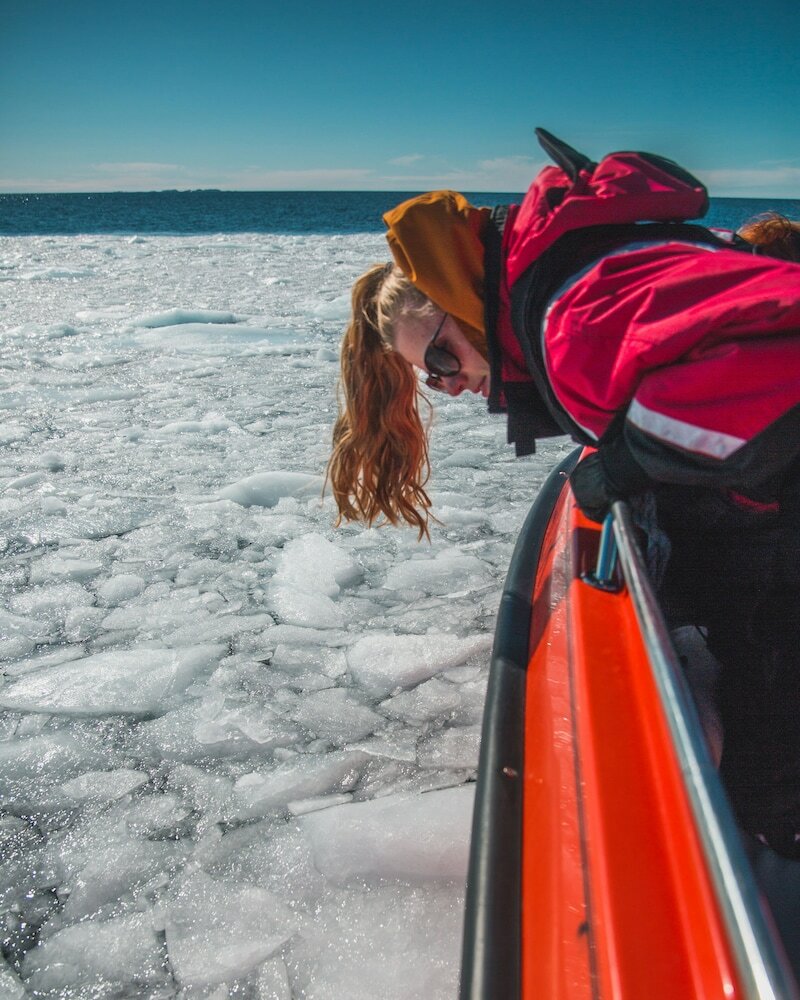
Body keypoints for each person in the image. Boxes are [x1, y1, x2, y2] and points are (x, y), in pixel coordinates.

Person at [327, 129, 800, 853]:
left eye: (443, 358)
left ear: (463, 302)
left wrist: (626, 464)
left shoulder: (569, 324)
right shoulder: (582, 284)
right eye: (433, 376)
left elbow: (768, 368)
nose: (450, 388)